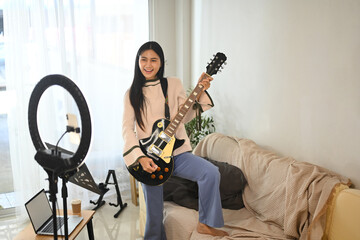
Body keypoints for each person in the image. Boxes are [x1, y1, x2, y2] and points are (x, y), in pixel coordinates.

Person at [122, 41, 228, 239]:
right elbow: (127, 130)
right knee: (154, 216)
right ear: (137, 61)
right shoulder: (131, 94)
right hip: (150, 159)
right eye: (144, 59)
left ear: (161, 63)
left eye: (154, 60)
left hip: (177, 152)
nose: (148, 64)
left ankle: (205, 223)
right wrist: (140, 158)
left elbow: (183, 117)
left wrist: (199, 90)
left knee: (211, 173)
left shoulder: (173, 84)